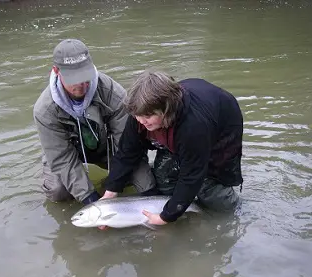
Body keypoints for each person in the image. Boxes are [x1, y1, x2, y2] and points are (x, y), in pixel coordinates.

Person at [101, 70, 244, 225]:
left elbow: (192, 176)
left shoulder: (193, 127)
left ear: (166, 110)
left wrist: (165, 217)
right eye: (138, 116)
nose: (142, 121)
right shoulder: (140, 113)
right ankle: (181, 204)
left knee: (207, 185)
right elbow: (127, 153)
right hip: (184, 130)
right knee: (164, 173)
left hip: (222, 128)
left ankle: (238, 210)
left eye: (148, 117)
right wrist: (111, 191)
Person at [33, 39, 155, 205]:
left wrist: (143, 191)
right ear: (56, 71)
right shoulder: (44, 110)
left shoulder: (113, 93)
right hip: (69, 152)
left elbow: (128, 146)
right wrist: (90, 199)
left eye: (85, 76)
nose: (81, 85)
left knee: (141, 181)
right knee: (58, 191)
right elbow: (62, 159)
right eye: (74, 79)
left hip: (107, 148)